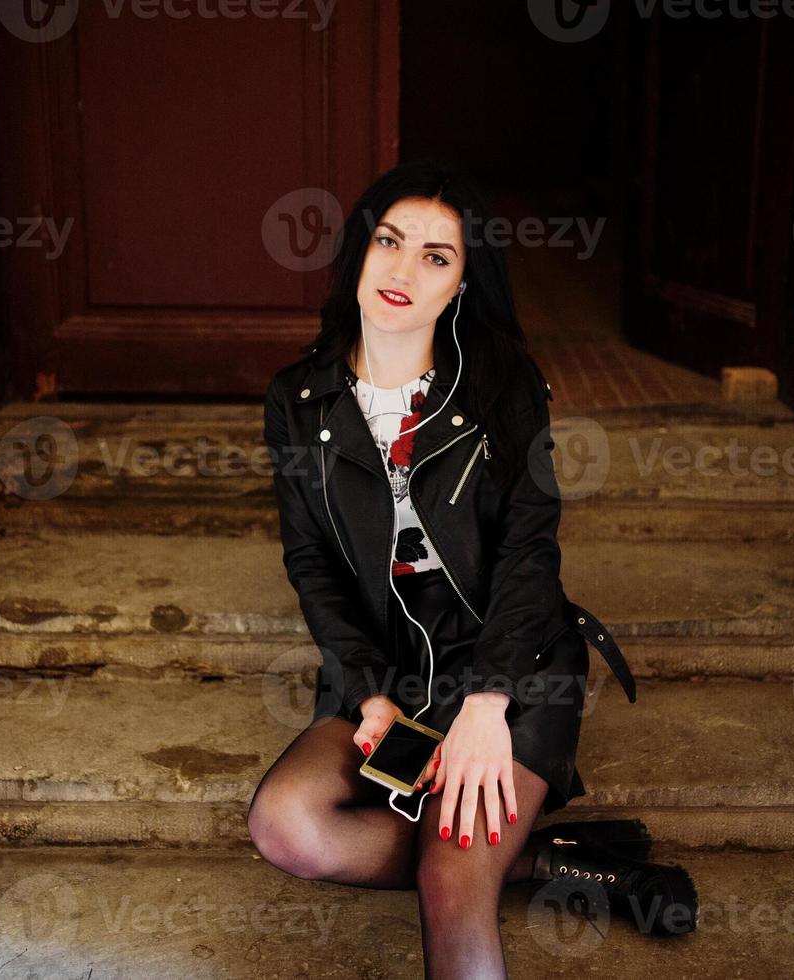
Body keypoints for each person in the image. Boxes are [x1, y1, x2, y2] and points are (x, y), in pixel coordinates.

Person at [247, 160, 695, 978]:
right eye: (388, 240)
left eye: (435, 256)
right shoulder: (298, 399)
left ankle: (484, 853)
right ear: (358, 250)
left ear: (459, 284)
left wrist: (488, 700)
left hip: (508, 655)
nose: (402, 269)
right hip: (392, 664)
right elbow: (310, 559)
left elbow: (531, 548)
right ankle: (547, 858)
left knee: (451, 881)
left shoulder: (499, 380)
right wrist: (368, 689)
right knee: (287, 825)